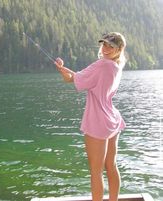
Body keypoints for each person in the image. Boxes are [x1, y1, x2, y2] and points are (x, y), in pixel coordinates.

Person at [54, 32, 127, 201]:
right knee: (111, 166)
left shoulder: (103, 65)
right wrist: (62, 70)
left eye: (111, 46)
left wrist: (61, 68)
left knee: (96, 171)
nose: (106, 48)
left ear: (119, 49)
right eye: (104, 44)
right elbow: (74, 78)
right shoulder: (116, 66)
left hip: (98, 122)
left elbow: (74, 78)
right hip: (112, 119)